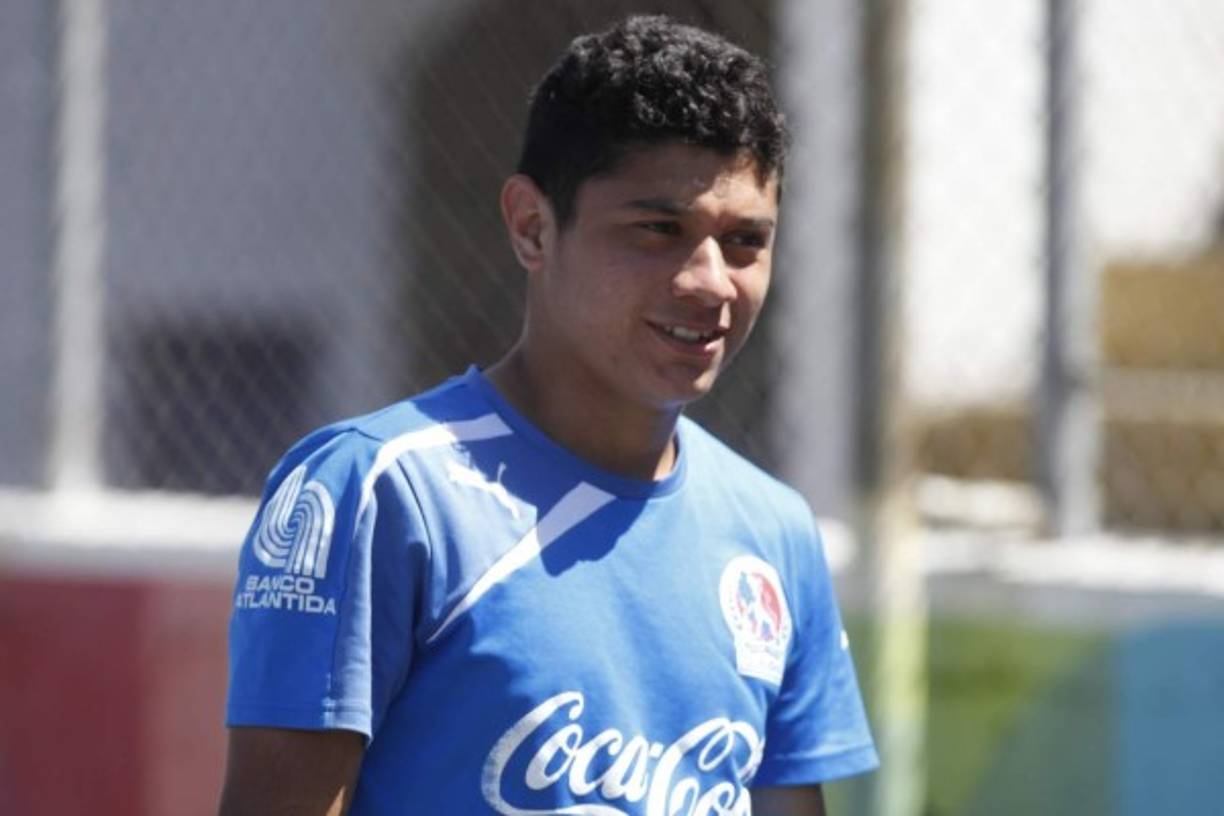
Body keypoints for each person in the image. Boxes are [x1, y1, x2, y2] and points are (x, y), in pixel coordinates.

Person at [220, 14, 877, 815]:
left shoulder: (774, 531)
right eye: (657, 230)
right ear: (532, 226)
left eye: (745, 241)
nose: (711, 282)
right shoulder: (378, 493)